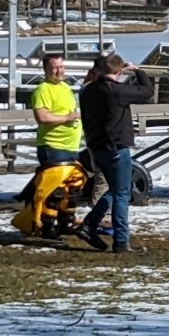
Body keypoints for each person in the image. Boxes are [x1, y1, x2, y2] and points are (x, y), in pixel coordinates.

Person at [74, 53, 156, 254]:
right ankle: (120, 241)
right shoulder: (116, 92)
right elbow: (147, 91)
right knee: (121, 194)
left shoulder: (87, 91)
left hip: (97, 148)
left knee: (121, 188)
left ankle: (88, 225)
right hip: (116, 149)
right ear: (120, 71)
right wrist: (138, 71)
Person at [29, 53, 83, 168]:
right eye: (55, 68)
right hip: (54, 148)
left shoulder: (65, 87)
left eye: (61, 67)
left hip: (70, 148)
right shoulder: (43, 89)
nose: (59, 71)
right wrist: (66, 118)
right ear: (45, 69)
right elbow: (42, 117)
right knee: (56, 185)